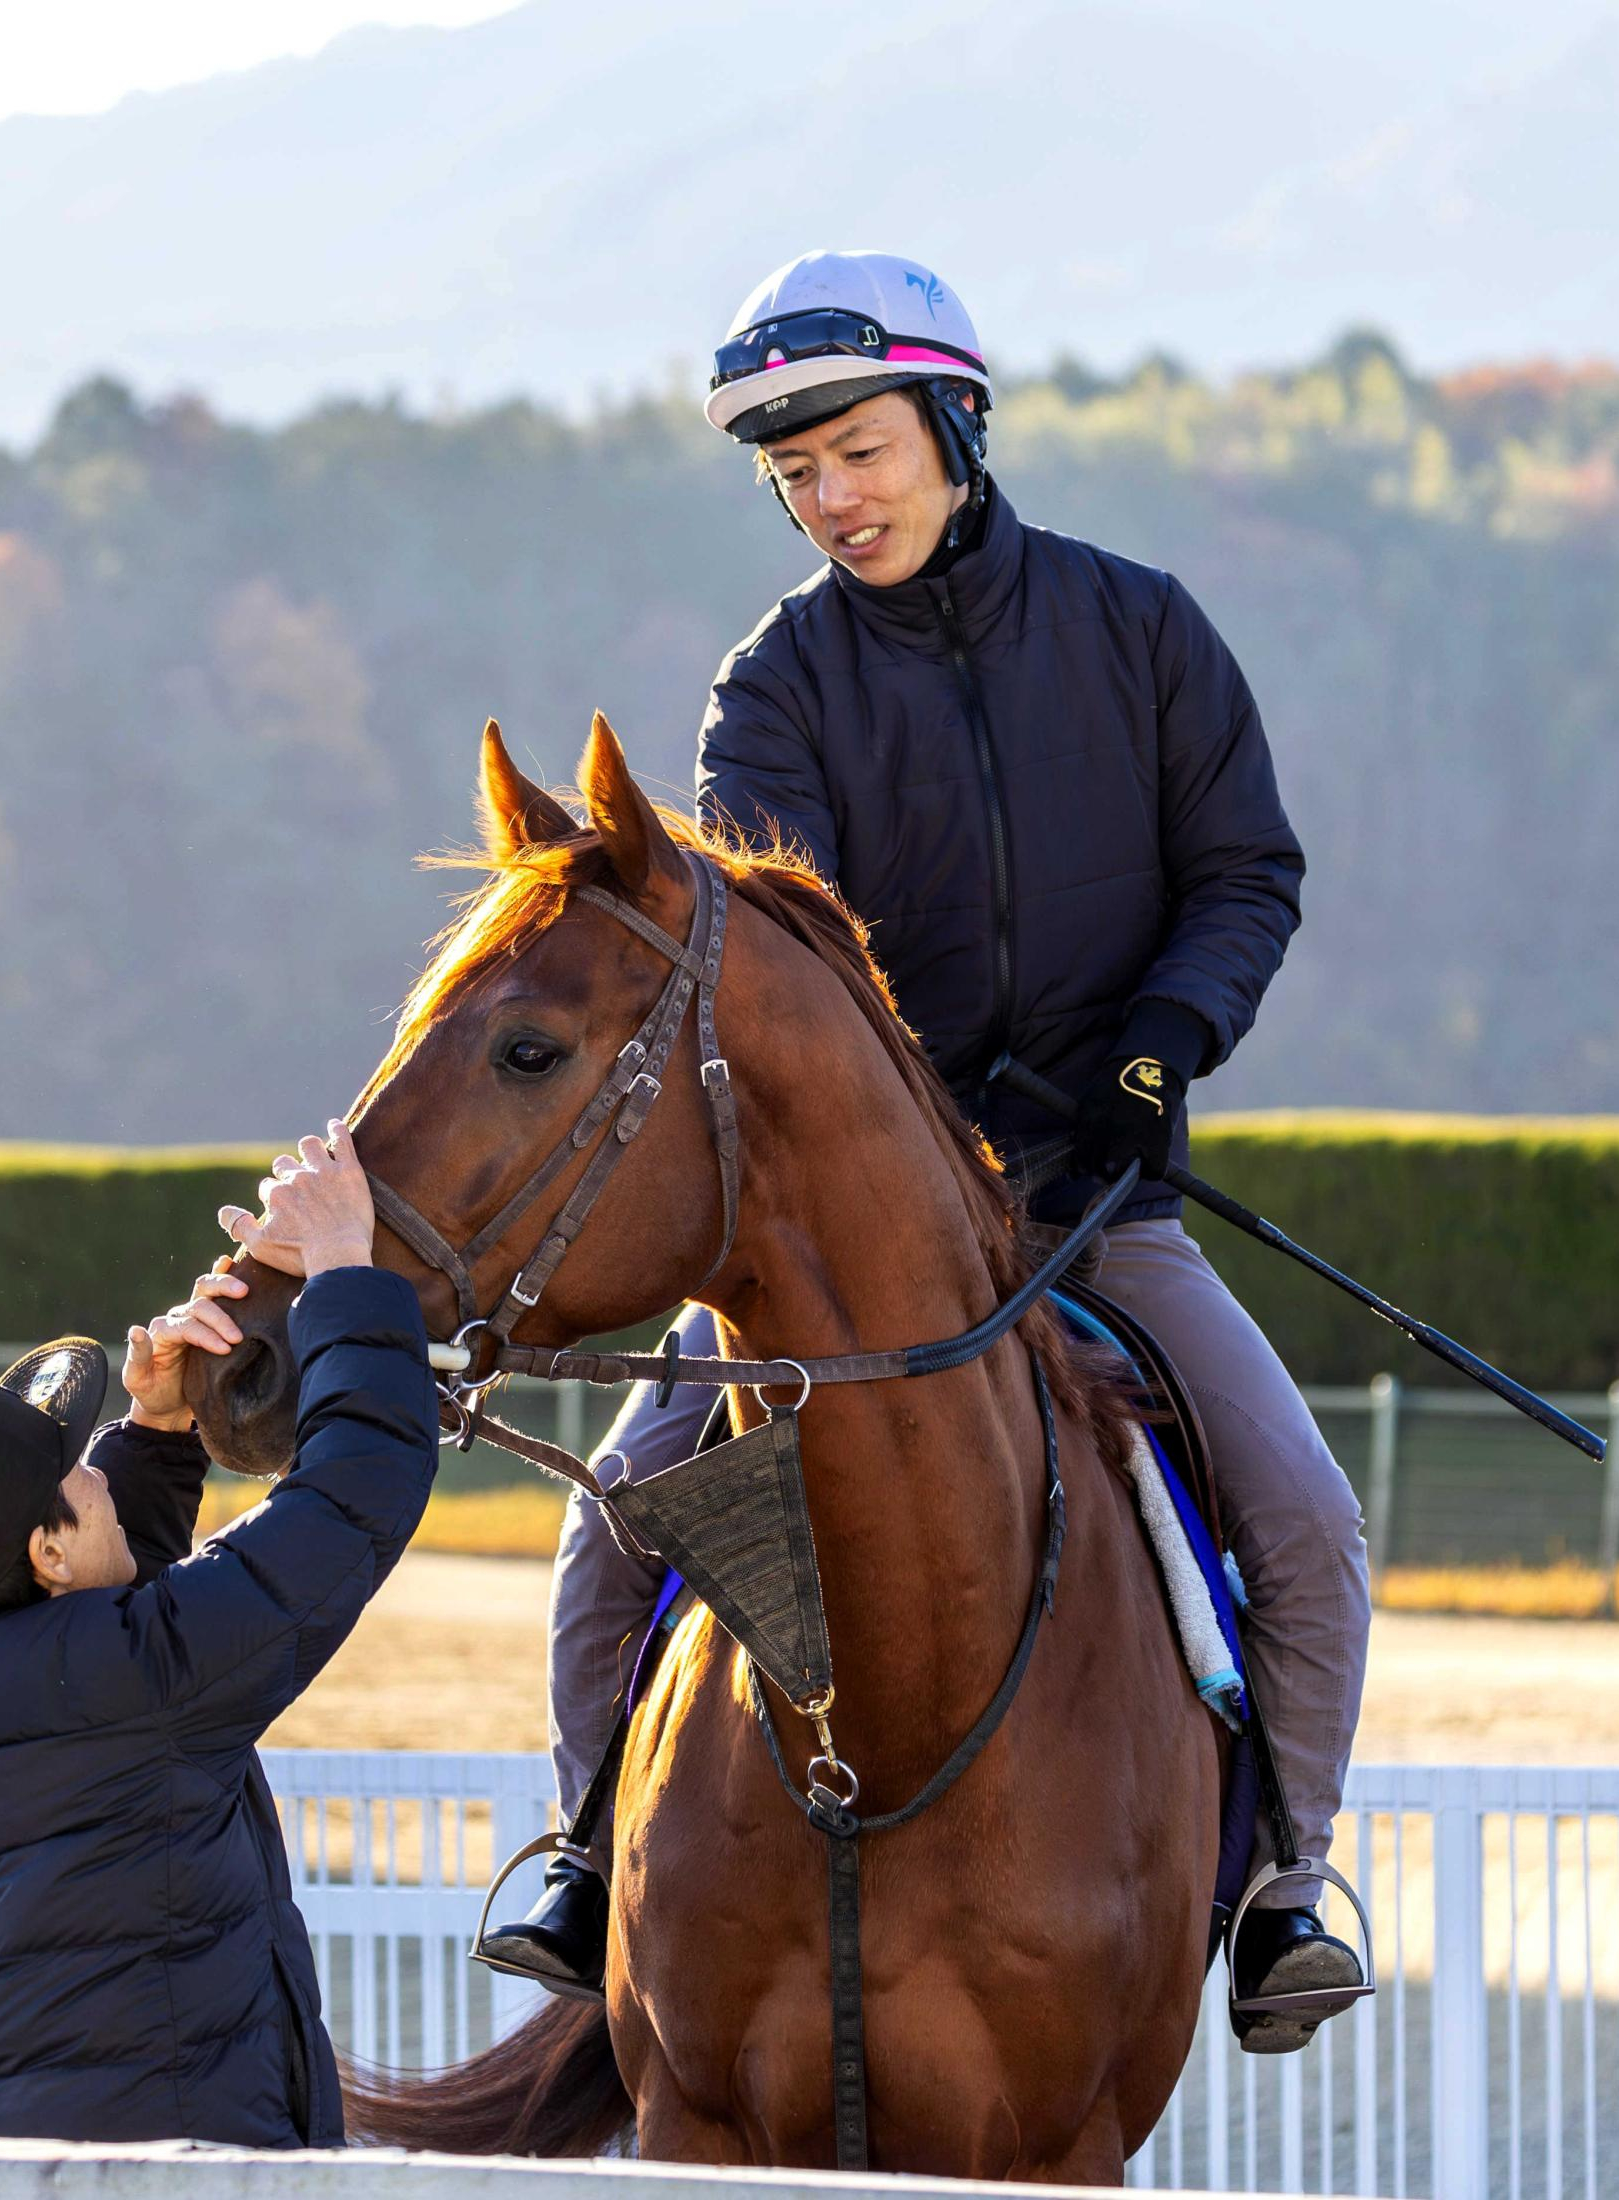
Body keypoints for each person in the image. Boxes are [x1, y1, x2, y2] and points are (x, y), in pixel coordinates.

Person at [477, 249, 1372, 2052]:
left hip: (1092, 1209)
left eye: (860, 453)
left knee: (1305, 1523)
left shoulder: (1142, 631)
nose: (832, 501)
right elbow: (784, 959)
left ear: (953, 424)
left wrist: (1153, 1053)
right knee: (608, 1547)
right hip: (842, 1242)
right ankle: (586, 1861)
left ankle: (1283, 1885)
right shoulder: (777, 689)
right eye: (795, 476)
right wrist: (917, 1128)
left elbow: (1243, 877)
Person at [0, 1122, 435, 2142]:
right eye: (79, 1473)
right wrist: (346, 1271)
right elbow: (353, 1500)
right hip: (187, 2170)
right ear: (47, 1555)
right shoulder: (133, 1681)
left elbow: (109, 1643)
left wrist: (157, 1430)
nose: (96, 1479)